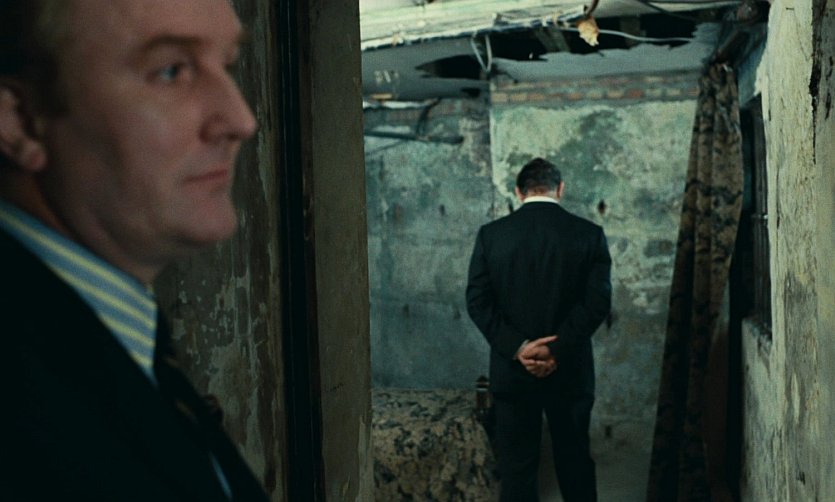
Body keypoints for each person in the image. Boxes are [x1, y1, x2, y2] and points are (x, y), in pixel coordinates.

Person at [0, 0, 269, 499]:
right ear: (19, 119)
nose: (239, 120)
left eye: (227, 64)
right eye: (171, 71)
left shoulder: (111, 338)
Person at [466, 157, 612, 502]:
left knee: (517, 470)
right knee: (575, 464)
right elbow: (597, 304)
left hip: (512, 372)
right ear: (560, 189)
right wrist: (555, 350)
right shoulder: (589, 234)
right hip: (570, 370)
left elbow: (478, 301)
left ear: (519, 192)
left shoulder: (491, 236)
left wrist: (519, 348)